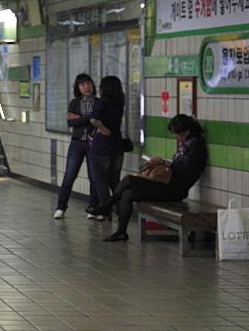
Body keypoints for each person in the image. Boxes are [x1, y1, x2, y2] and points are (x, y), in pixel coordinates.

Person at [87, 115, 208, 242]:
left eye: (176, 134)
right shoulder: (187, 145)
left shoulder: (197, 147)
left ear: (187, 132)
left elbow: (186, 171)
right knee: (127, 194)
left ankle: (107, 205)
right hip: (169, 184)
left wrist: (166, 163)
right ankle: (121, 231)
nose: (175, 137)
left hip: (175, 190)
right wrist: (163, 163)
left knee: (129, 179)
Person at [53, 73, 98, 219]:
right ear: (78, 87)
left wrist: (80, 118)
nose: (86, 87)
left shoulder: (99, 102)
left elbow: (97, 120)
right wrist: (87, 119)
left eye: (88, 83)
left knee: (94, 177)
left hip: (94, 143)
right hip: (77, 142)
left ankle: (93, 207)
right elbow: (71, 123)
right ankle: (61, 207)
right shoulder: (74, 103)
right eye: (83, 84)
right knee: (69, 175)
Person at [86, 75, 125, 221]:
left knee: (101, 181)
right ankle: (122, 210)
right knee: (115, 181)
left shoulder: (101, 103)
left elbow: (94, 119)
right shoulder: (119, 104)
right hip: (117, 146)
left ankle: (105, 211)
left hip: (101, 146)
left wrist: (102, 129)